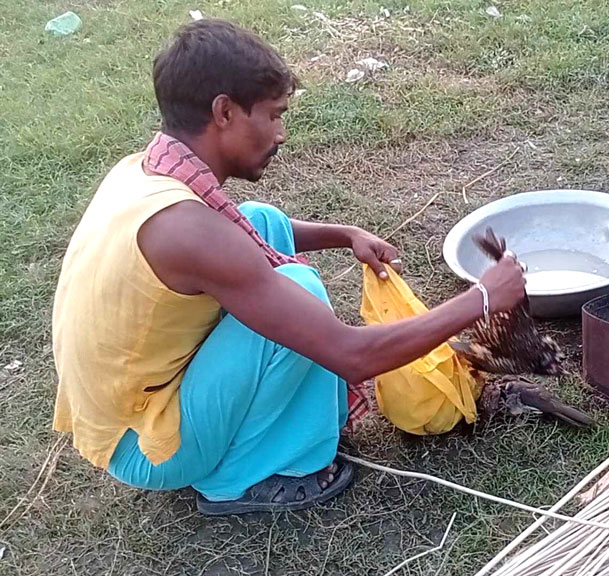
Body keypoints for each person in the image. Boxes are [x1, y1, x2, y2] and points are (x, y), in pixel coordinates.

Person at [51, 19, 526, 516]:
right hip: (147, 448)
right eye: (274, 115)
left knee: (260, 222)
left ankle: (243, 441)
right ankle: (235, 479)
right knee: (298, 286)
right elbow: (350, 355)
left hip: (125, 413)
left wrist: (344, 236)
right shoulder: (186, 230)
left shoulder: (145, 172)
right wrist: (484, 298)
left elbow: (240, 234)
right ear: (224, 111)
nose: (281, 133)